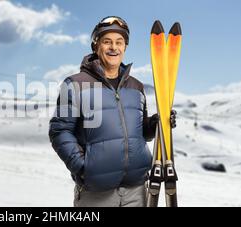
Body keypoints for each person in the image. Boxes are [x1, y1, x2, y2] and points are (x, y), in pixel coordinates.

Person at [48, 16, 176, 207]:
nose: (113, 48)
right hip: (96, 193)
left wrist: (157, 124)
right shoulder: (75, 84)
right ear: (96, 46)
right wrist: (83, 167)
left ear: (125, 47)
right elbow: (59, 131)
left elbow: (140, 133)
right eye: (107, 42)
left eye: (119, 42)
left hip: (137, 189)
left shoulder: (136, 87)